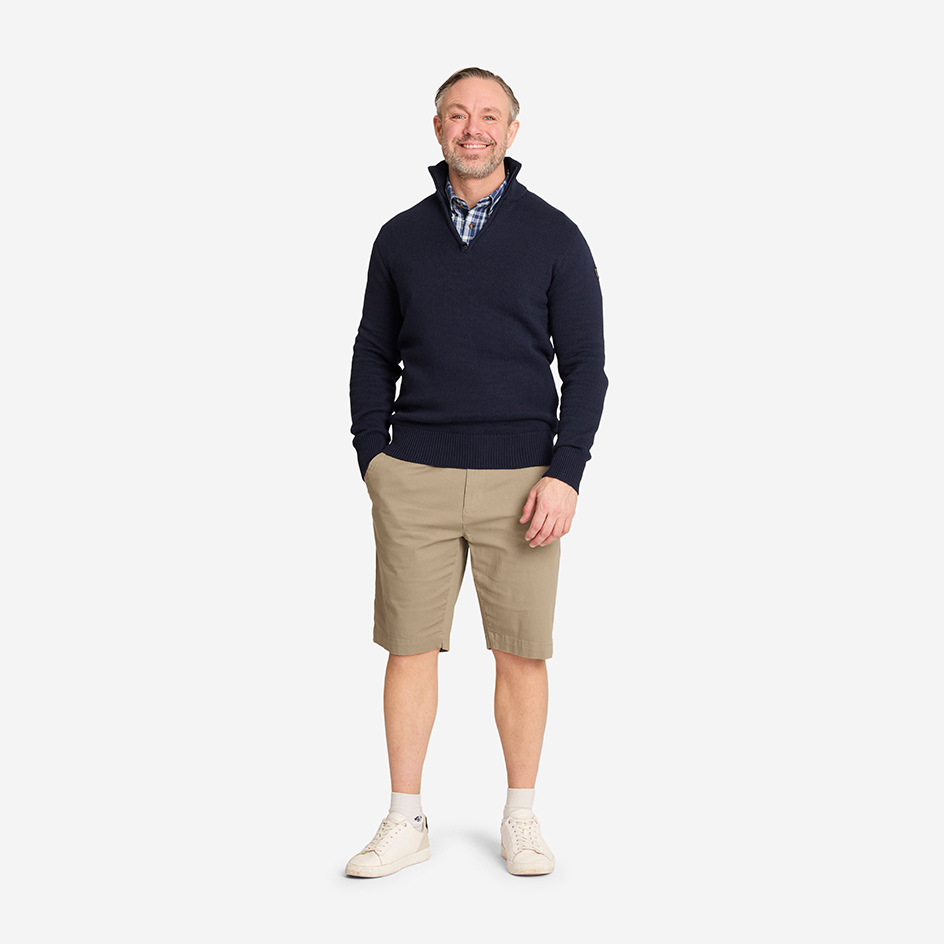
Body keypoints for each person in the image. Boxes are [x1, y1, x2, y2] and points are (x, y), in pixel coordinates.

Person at [345, 67, 607, 878]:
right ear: (438, 129)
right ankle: (405, 819)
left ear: (512, 132)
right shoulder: (398, 238)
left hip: (524, 483)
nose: (473, 128)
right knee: (408, 648)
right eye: (458, 115)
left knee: (522, 653)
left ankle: (521, 817)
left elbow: (587, 368)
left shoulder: (556, 237)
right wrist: (374, 457)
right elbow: (372, 352)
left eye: (489, 116)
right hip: (413, 477)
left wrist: (566, 474)